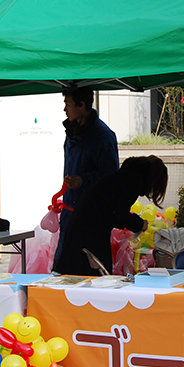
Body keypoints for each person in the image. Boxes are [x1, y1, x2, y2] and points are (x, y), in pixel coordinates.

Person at [53, 155, 168, 276]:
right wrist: (139, 224)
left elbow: (113, 212)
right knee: (95, 272)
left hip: (84, 222)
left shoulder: (123, 176)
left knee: (78, 268)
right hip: (91, 228)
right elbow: (120, 214)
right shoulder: (133, 180)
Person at [53, 87, 119, 268]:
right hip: (70, 212)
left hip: (93, 218)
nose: (65, 110)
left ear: (82, 105)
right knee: (62, 269)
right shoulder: (72, 133)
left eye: (68, 105)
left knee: (92, 271)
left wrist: (84, 181)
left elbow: (112, 176)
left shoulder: (103, 136)